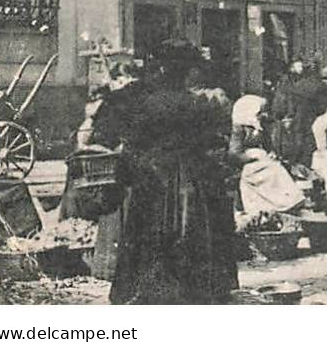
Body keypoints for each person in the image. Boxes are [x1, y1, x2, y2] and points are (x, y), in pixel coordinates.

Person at [88, 40, 238, 304]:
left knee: (148, 232)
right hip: (190, 180)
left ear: (161, 69)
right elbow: (213, 143)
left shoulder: (142, 101)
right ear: (186, 71)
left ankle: (147, 291)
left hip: (151, 177)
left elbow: (119, 137)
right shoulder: (197, 104)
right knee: (189, 233)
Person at [231, 93, 303, 215]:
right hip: (249, 163)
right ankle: (270, 204)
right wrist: (251, 157)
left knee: (276, 167)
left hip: (263, 160)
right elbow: (234, 153)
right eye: (258, 113)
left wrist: (271, 153)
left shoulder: (259, 127)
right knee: (272, 169)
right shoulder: (240, 128)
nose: (261, 116)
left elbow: (268, 144)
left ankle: (287, 201)